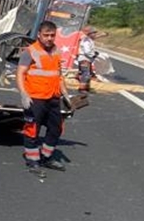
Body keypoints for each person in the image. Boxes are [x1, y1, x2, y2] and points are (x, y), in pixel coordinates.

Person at [17, 19, 71, 177]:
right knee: (32, 130)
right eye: (46, 35)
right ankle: (33, 161)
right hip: (35, 98)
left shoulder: (56, 51)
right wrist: (23, 94)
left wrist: (66, 94)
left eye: (52, 35)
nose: (49, 38)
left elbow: (58, 75)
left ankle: (46, 157)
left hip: (53, 97)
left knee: (56, 128)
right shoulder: (30, 51)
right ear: (39, 35)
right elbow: (20, 73)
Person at [76, 27, 101, 94]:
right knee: (86, 74)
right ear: (90, 34)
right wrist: (93, 55)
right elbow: (87, 52)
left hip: (87, 59)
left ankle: (86, 87)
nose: (95, 34)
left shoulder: (90, 40)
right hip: (84, 59)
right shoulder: (86, 41)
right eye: (94, 33)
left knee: (88, 74)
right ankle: (82, 88)